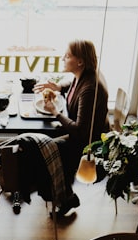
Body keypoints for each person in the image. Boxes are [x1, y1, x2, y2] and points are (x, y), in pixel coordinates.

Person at [35, 39, 110, 215]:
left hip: (87, 144)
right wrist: (59, 87)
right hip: (80, 135)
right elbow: (75, 85)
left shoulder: (90, 88)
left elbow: (80, 130)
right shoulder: (85, 75)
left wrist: (55, 112)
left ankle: (65, 197)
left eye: (67, 55)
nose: (63, 58)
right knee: (42, 142)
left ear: (80, 61)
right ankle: (61, 191)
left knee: (43, 152)